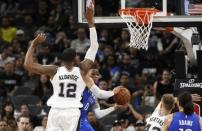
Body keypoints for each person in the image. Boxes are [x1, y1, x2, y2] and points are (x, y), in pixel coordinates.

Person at [24, 1, 100, 130]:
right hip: (72, 112)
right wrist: (90, 22)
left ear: (62, 60)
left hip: (56, 111)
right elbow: (94, 47)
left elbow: (28, 65)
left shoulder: (54, 70)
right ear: (75, 57)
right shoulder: (82, 70)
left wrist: (34, 44)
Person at [79, 66, 121, 131]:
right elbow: (100, 94)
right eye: (93, 74)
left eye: (97, 74)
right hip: (72, 117)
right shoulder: (81, 84)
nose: (95, 76)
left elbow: (98, 114)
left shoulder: (94, 95)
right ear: (86, 75)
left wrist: (113, 108)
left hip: (82, 120)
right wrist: (113, 92)